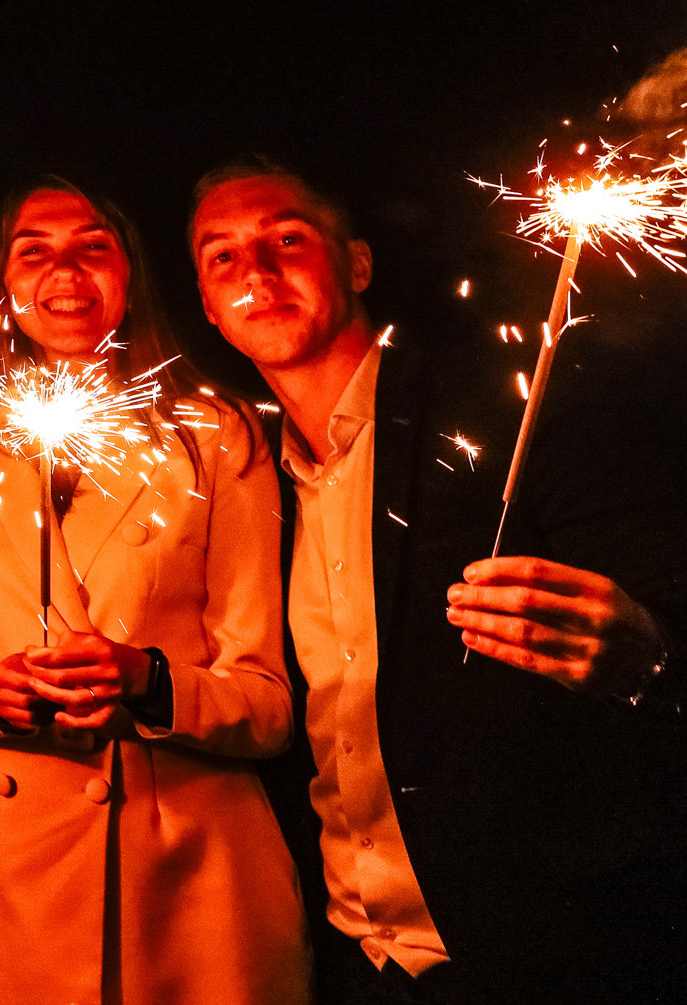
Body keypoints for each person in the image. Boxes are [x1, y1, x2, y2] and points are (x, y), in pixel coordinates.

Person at [188, 156, 687, 1003]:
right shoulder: (237, 483)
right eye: (223, 256)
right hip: (357, 963)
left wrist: (652, 658)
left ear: (357, 264)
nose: (259, 272)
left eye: (287, 238)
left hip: (549, 956)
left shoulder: (506, 413)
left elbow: (661, 634)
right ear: (207, 304)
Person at [0, 181, 304, 1004]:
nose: (65, 270)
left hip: (183, 875)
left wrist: (148, 679)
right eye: (34, 250)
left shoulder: (215, 433)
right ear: (3, 288)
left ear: (130, 274)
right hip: (11, 885)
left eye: (93, 245)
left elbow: (267, 704)